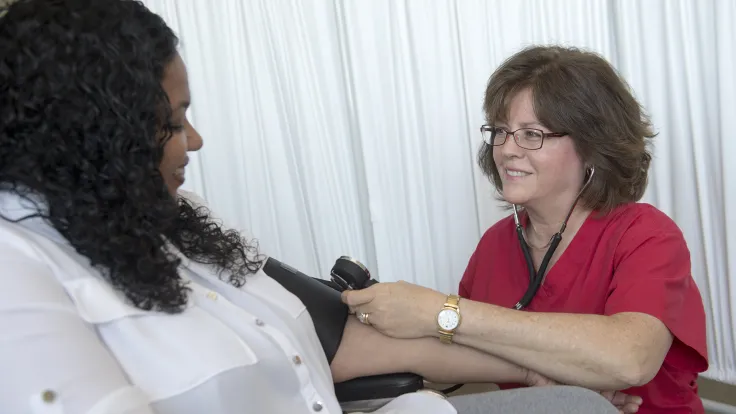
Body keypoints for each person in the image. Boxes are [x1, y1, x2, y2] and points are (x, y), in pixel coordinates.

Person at [0, 1, 641, 413]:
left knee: (574, 408)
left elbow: (337, 343)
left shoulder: (183, 220)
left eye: (534, 135)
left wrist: (532, 371)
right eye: (173, 123)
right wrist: (461, 323)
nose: (195, 140)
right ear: (93, 133)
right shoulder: (19, 271)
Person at [342, 45, 709, 414]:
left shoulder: (646, 234)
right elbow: (454, 350)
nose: (507, 150)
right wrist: (541, 372)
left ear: (593, 145)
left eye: (532, 134)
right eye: (501, 130)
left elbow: (629, 359)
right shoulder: (495, 245)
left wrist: (440, 310)